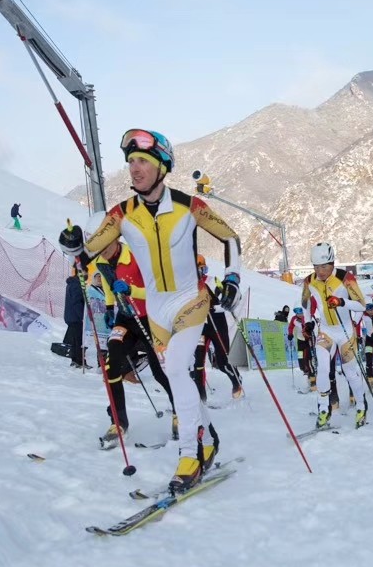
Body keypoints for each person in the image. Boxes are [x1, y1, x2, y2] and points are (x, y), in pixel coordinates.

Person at [59, 128, 241, 492]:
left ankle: (190, 454)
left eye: (142, 160)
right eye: (130, 162)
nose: (134, 168)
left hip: (190, 301)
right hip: (156, 314)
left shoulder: (189, 206)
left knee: (174, 369)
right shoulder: (122, 214)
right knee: (179, 376)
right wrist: (73, 245)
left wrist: (232, 280)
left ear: (162, 166)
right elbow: (86, 254)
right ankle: (208, 438)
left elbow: (230, 237)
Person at [92, 237, 176, 444]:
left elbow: (158, 290)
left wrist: (131, 290)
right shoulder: (101, 260)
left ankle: (180, 412)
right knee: (111, 364)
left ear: (115, 239)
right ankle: (119, 423)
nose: (102, 252)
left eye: (105, 246)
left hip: (150, 318)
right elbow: (107, 282)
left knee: (160, 371)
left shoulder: (139, 255)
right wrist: (109, 308)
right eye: (98, 248)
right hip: (126, 318)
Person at [300, 242, 368, 429]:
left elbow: (361, 305)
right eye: (316, 267)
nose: (320, 271)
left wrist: (341, 302)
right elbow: (305, 303)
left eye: (324, 266)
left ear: (332, 263)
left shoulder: (345, 278)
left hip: (345, 332)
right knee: (322, 368)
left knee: (350, 372)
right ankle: (324, 408)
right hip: (326, 331)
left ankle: (361, 406)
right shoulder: (309, 281)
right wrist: (308, 321)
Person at [194, 255, 243, 400]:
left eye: (202, 269)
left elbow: (228, 300)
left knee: (222, 362)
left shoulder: (212, 281)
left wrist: (216, 307)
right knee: (198, 363)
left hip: (216, 323)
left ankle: (236, 381)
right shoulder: (188, 286)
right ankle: (201, 398)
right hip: (200, 327)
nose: (199, 273)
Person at [63, 265, 88, 368]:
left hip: (71, 316)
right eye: (85, 272)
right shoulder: (76, 284)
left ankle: (75, 360)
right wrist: (82, 316)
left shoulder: (74, 283)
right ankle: (79, 361)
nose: (87, 274)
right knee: (79, 340)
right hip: (76, 317)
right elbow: (77, 302)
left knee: (75, 339)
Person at [287, 306, 316, 386]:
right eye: (297, 312)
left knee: (308, 359)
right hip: (300, 340)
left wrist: (312, 325)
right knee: (300, 357)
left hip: (308, 341)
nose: (299, 314)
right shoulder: (294, 319)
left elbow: (314, 324)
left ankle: (312, 378)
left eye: (301, 312)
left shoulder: (308, 317)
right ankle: (305, 372)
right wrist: (290, 334)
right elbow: (291, 327)